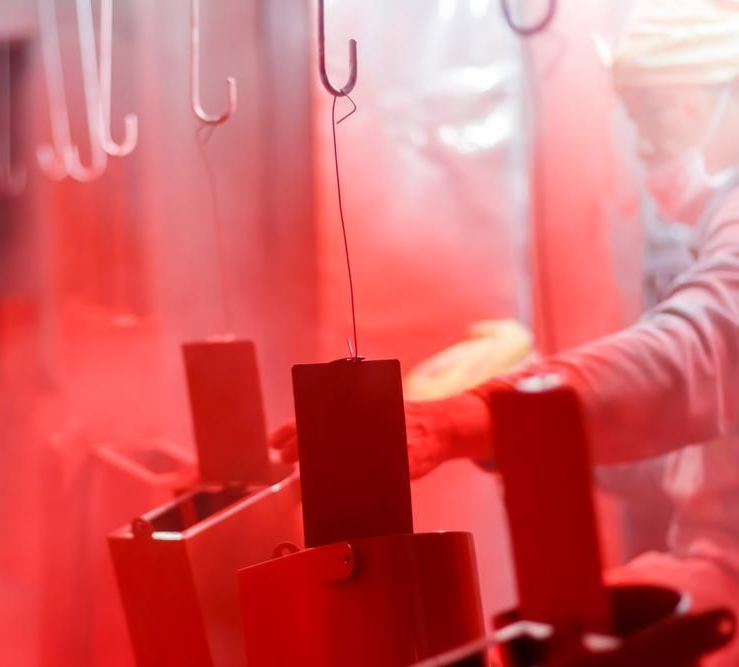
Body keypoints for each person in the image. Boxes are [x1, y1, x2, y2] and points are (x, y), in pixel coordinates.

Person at [270, 1, 739, 663]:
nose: (646, 152)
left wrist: (472, 415)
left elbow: (694, 351)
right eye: (638, 124)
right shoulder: (714, 220)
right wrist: (511, 434)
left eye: (660, 121)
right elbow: (698, 451)